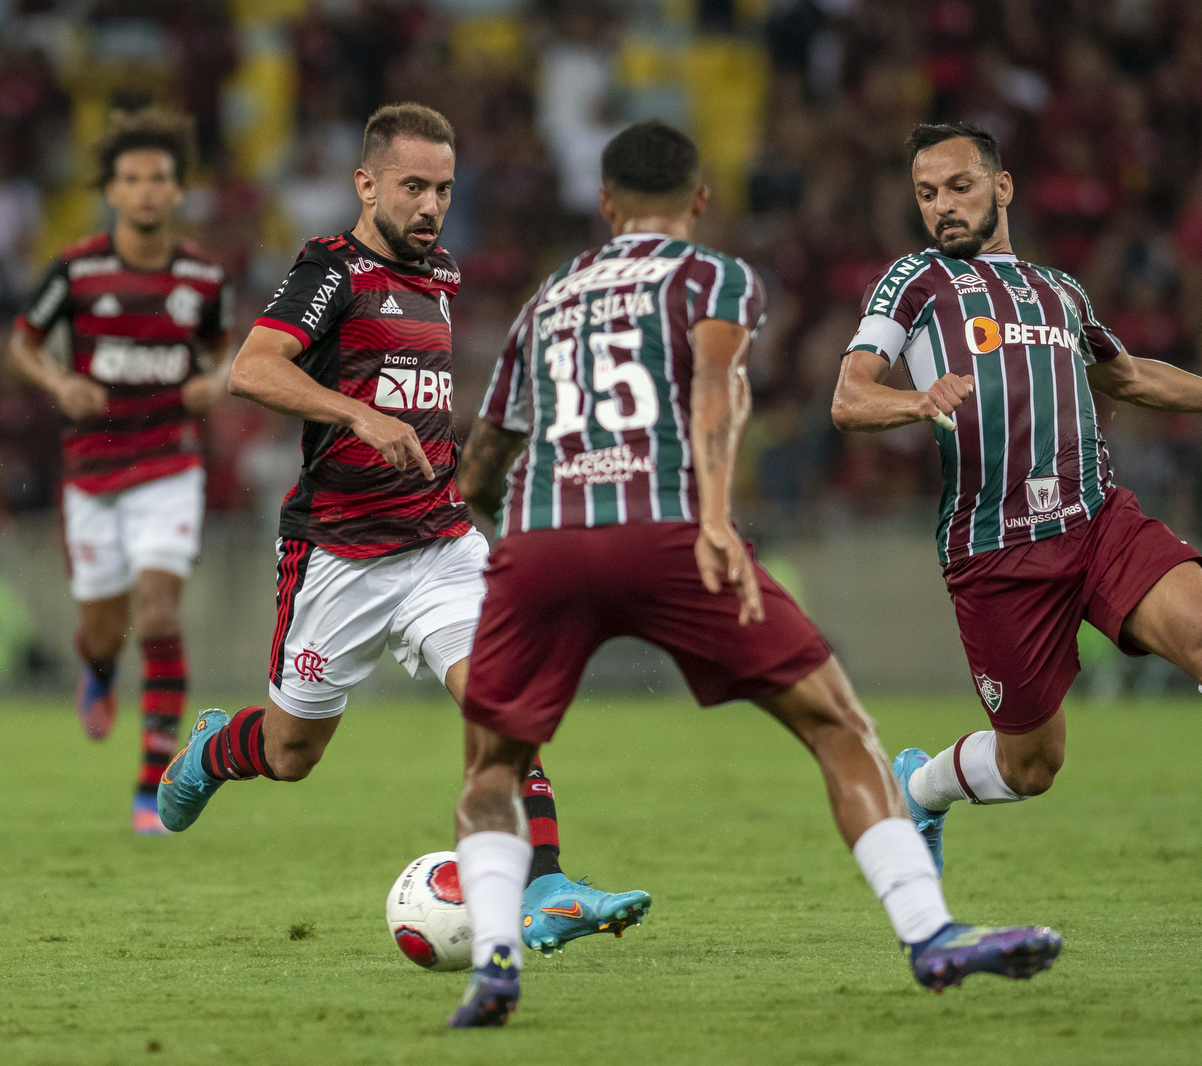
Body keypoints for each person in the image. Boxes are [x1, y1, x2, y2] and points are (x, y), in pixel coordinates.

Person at [446, 120, 1059, 1029]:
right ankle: (928, 934)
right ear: (698, 200)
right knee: (837, 724)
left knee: (492, 766)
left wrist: (492, 531)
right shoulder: (716, 276)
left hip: (543, 539)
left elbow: (490, 450)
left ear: (606, 206)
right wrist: (715, 516)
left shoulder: (551, 294)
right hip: (671, 531)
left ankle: (493, 962)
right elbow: (715, 387)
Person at [159, 102, 649, 955]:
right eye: (413, 186)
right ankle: (214, 746)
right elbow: (253, 369)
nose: (430, 205)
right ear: (366, 183)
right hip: (339, 556)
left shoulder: (442, 276)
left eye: (444, 190)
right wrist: (357, 416)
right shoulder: (330, 269)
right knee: (291, 752)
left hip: (440, 544)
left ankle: (547, 885)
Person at [832, 122, 1202, 871]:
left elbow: (1127, 376)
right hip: (995, 549)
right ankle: (923, 788)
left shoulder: (1059, 289)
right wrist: (917, 400)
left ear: (1001, 187)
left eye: (959, 187)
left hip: (1096, 518)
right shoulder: (914, 281)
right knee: (1030, 767)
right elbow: (848, 397)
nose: (943, 207)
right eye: (927, 194)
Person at [10, 108, 233, 835]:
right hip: (92, 471)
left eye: (158, 179)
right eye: (131, 179)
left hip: (169, 462)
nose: (144, 191)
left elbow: (226, 351)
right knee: (103, 629)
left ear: (177, 191)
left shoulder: (202, 276)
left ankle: (151, 788)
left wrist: (215, 381)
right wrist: (58, 383)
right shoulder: (77, 269)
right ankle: (100, 673)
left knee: (160, 609)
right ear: (111, 190)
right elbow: (22, 343)